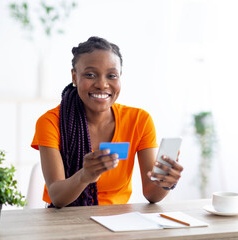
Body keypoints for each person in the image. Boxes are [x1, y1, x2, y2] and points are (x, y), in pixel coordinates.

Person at [31, 36, 183, 208]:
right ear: (74, 76)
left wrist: (165, 180)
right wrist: (85, 175)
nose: (102, 84)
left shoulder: (139, 120)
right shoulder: (50, 122)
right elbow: (57, 197)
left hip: (117, 223)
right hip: (67, 222)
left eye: (111, 75)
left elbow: (151, 194)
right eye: (90, 75)